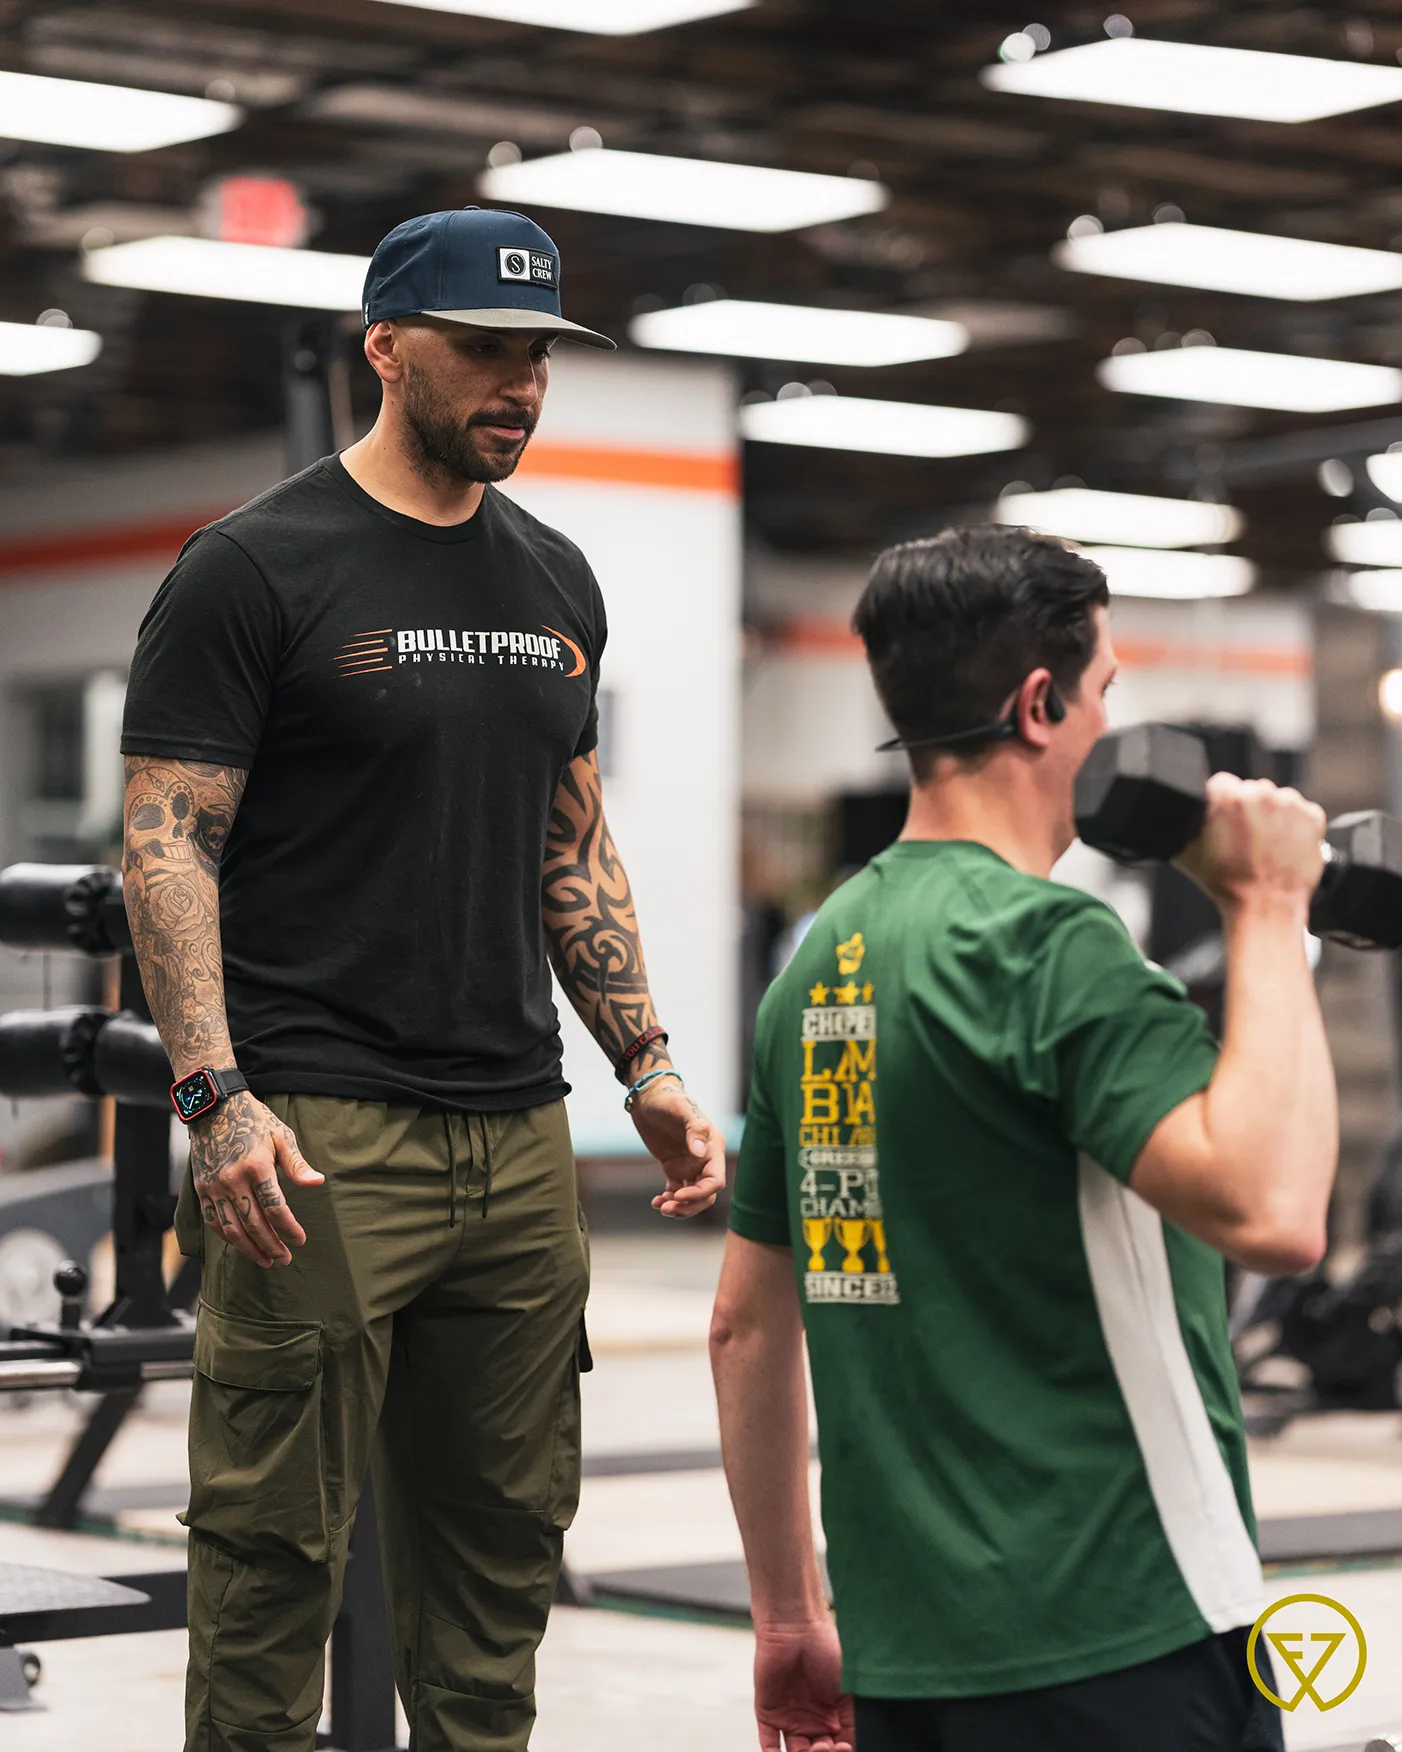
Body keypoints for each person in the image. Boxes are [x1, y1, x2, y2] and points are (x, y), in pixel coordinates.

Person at [120, 205, 725, 1752]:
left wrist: (648, 1065)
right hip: (314, 1137)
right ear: (386, 349)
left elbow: (570, 850)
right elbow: (167, 849)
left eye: (539, 355)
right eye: (484, 350)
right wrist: (212, 1096)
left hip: (517, 1142)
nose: (519, 384)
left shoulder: (556, 580)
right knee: (269, 1567)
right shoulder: (252, 567)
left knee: (501, 1567)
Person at [710, 525, 1336, 1752]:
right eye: (1105, 691)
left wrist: (787, 1614)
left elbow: (743, 1325)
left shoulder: (816, 966)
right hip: (1124, 1631)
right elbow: (1274, 1214)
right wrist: (1267, 905)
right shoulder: (1050, 948)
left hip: (904, 1659)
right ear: (1039, 704)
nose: (1110, 722)